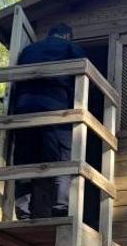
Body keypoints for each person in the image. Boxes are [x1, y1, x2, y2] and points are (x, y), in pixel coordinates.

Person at [10, 23, 86, 219]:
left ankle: (23, 210)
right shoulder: (70, 48)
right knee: (62, 157)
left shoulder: (28, 50)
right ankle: (60, 207)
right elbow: (84, 73)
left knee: (25, 158)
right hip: (55, 106)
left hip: (23, 107)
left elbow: (15, 81)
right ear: (67, 36)